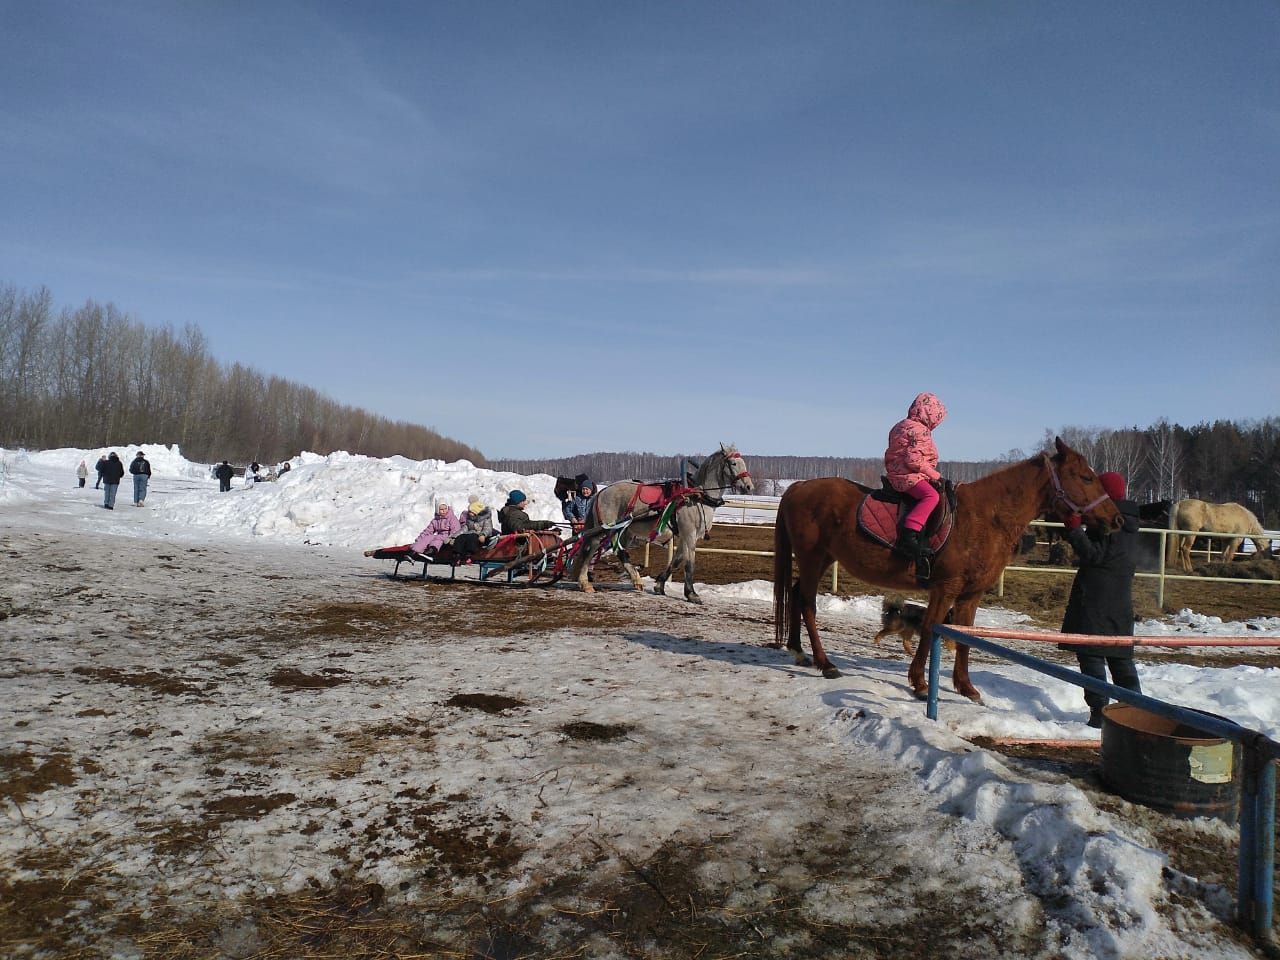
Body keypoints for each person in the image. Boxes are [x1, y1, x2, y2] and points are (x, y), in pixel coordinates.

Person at [1058, 471, 1142, 728]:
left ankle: (1100, 714)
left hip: (1095, 603)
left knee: (1092, 657)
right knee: (1120, 662)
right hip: (1119, 604)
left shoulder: (1111, 523)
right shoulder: (1129, 522)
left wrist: (1074, 530)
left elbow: (1094, 556)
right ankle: (1136, 713)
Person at [884, 392, 947, 579]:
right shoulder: (920, 431)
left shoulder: (899, 426)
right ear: (930, 414)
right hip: (908, 476)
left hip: (895, 474)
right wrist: (935, 475)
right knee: (932, 496)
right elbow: (914, 460)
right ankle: (910, 533)